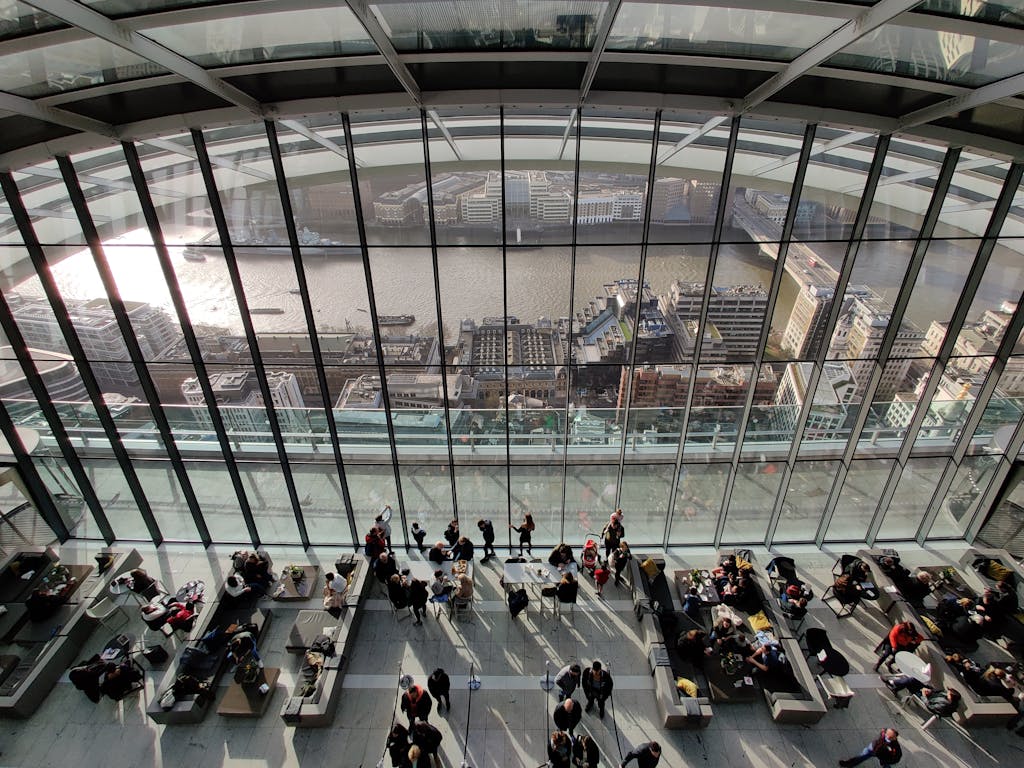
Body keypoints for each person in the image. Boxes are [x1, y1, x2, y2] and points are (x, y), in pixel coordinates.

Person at [882, 676, 961, 716]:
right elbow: (936, 691)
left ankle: (892, 683)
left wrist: (924, 695)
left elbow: (930, 706)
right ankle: (894, 686)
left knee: (909, 681)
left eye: (948, 692)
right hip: (928, 694)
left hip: (924, 699)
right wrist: (930, 690)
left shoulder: (945, 704)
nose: (947, 692)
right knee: (913, 679)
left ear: (950, 697)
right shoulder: (945, 695)